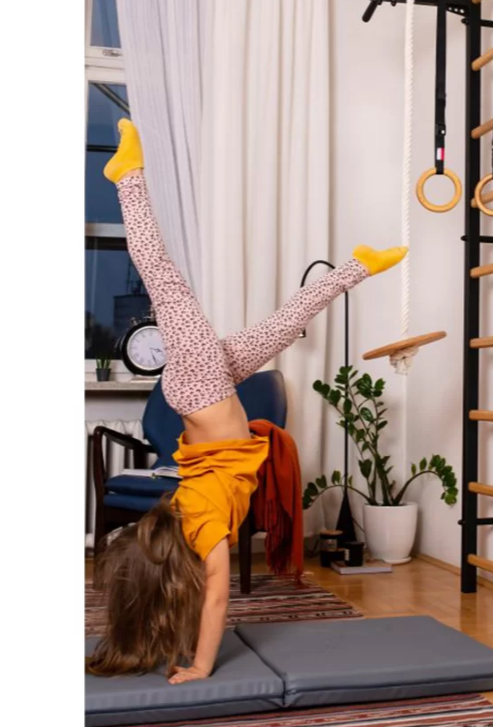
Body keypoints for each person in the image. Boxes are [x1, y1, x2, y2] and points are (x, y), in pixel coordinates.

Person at [86, 119, 406, 683]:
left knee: (161, 275)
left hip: (203, 392)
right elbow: (204, 599)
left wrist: (203, 665)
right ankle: (358, 266)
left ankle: (126, 177)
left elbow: (215, 601)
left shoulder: (201, 529)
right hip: (207, 393)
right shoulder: (188, 520)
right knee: (284, 327)